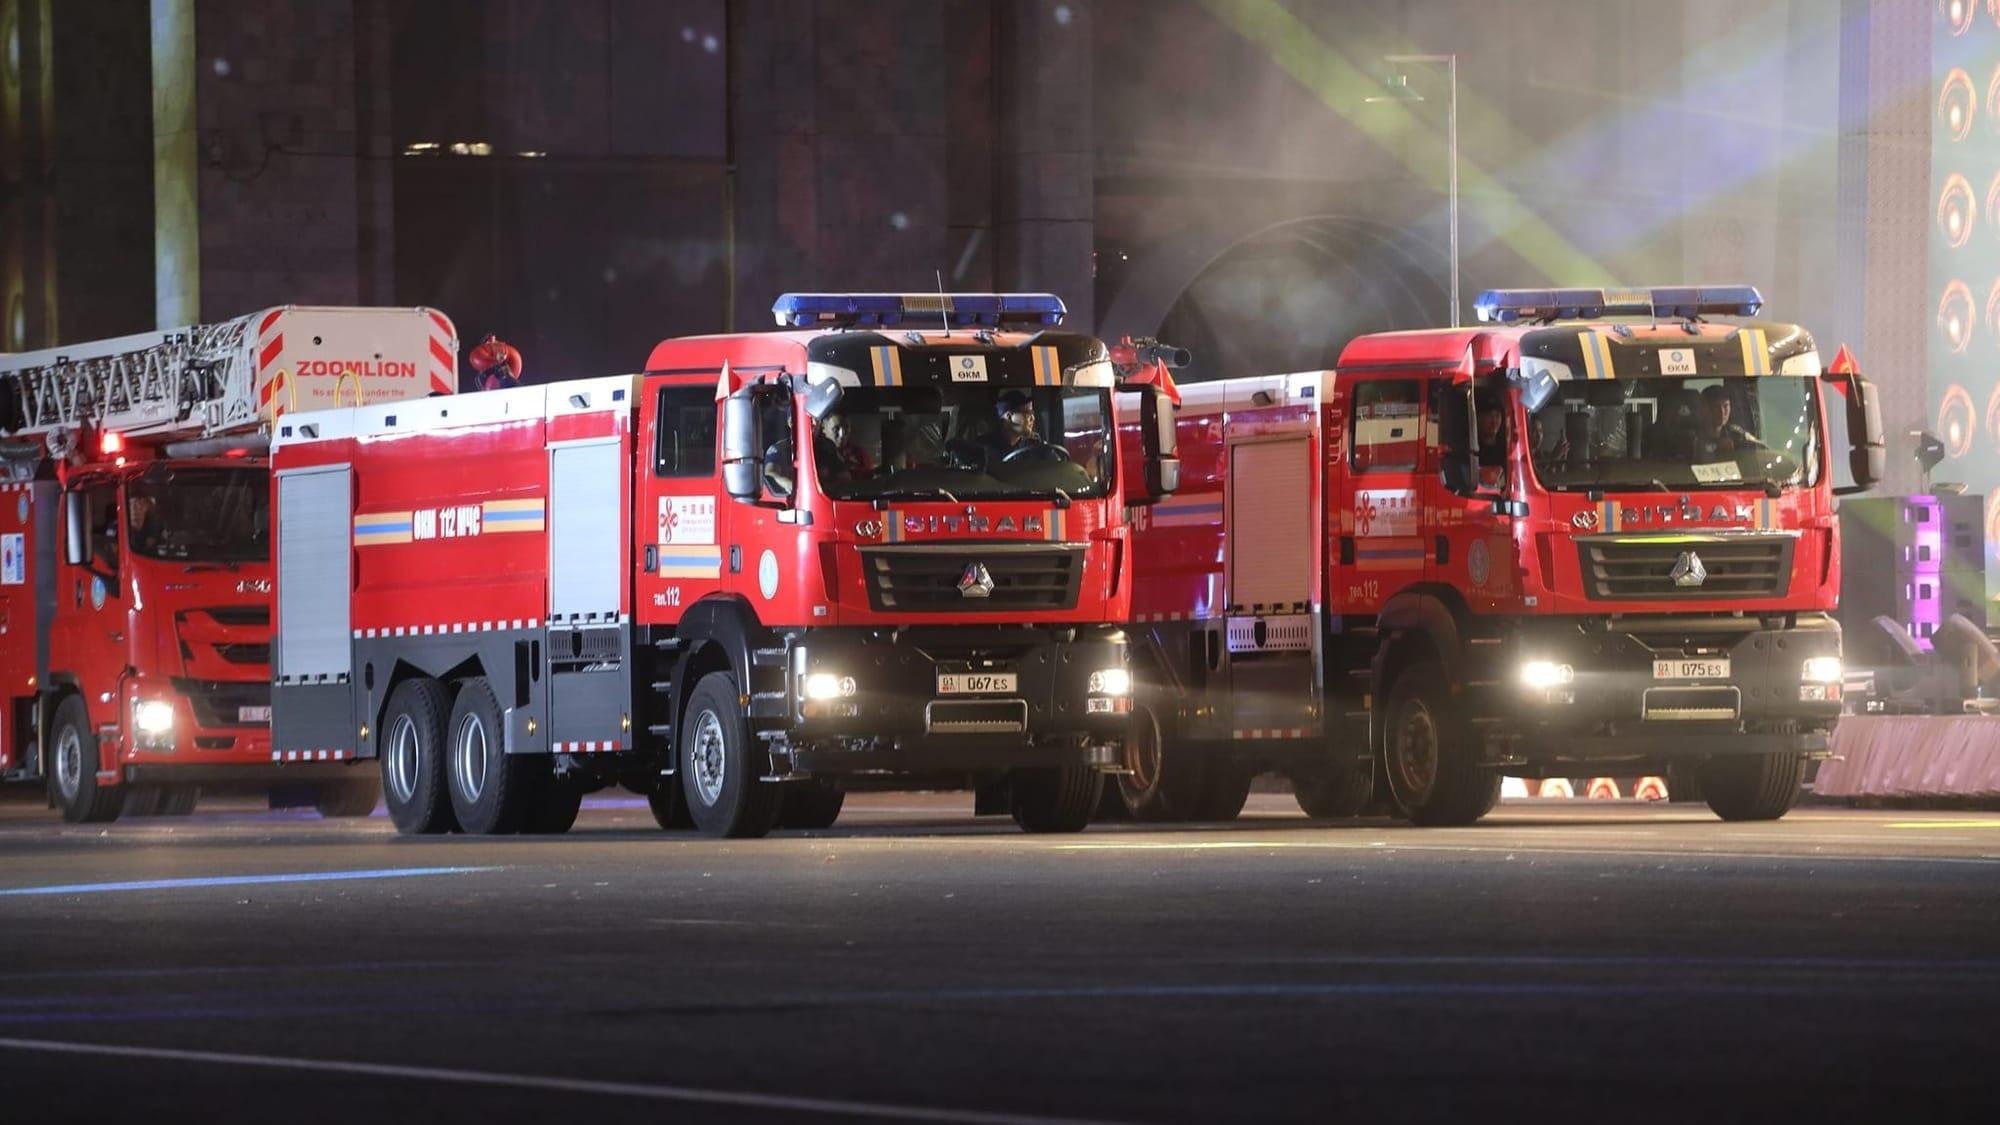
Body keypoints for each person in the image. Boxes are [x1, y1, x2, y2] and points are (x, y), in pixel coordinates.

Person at [1695, 384, 1758, 459]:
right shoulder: (1692, 437)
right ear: (1704, 408)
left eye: (1726, 406)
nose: (1722, 412)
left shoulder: (1737, 435)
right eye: (1716, 407)